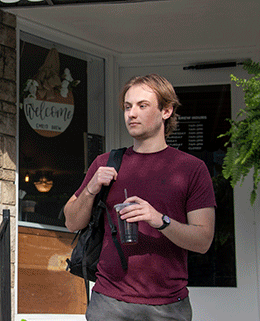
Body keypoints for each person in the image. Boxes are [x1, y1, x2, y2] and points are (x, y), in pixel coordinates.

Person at [63, 74, 216, 321]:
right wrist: (91, 188)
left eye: (142, 106)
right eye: (127, 106)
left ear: (166, 111)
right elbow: (71, 222)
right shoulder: (107, 163)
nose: (131, 114)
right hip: (109, 303)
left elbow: (203, 240)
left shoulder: (191, 169)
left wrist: (159, 220)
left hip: (168, 307)